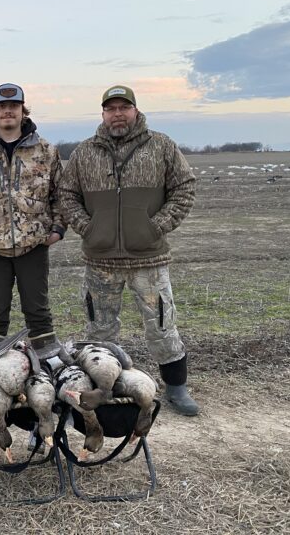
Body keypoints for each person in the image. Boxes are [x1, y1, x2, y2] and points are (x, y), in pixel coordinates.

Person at [58, 85, 199, 415]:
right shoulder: (84, 152)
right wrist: (89, 228)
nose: (117, 114)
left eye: (124, 107)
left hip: (147, 259)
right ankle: (102, 388)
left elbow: (185, 187)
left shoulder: (161, 146)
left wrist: (156, 226)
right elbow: (67, 195)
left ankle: (177, 389)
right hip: (101, 260)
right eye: (111, 108)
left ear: (135, 111)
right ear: (103, 114)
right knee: (99, 331)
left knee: (162, 325)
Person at [0, 83, 67, 360]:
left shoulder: (46, 151)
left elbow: (61, 193)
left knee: (38, 311)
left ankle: (49, 366)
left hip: (33, 244)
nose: (7, 111)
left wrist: (57, 229)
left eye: (14, 107)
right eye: (1, 107)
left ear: (23, 111)